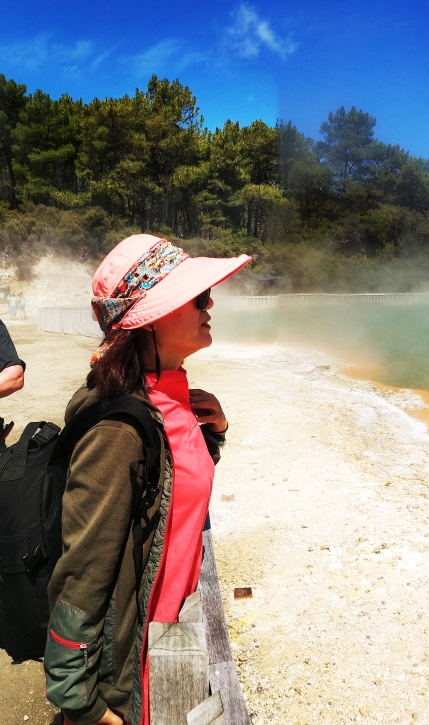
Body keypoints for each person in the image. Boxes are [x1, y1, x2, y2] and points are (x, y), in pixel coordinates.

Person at [43, 234, 249, 725]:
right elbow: (84, 566)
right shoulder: (118, 427)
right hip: (135, 666)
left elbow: (167, 497)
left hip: (174, 634)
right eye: (196, 296)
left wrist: (213, 436)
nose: (210, 302)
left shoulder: (172, 394)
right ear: (151, 319)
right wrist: (78, 700)